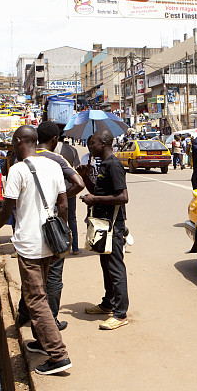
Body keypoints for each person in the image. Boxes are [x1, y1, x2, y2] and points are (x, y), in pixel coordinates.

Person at [0, 126, 72, 375]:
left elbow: (6, 211)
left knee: (35, 299)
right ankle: (42, 343)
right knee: (40, 293)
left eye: (12, 142)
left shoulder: (17, 170)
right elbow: (63, 206)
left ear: (19, 141)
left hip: (29, 245)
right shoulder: (53, 165)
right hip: (50, 243)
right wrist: (63, 236)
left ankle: (58, 354)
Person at [32, 122, 85, 330]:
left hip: (29, 226)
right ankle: (51, 321)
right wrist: (57, 199)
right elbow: (79, 184)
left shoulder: (23, 157)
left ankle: (26, 315)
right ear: (55, 139)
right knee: (53, 273)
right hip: (51, 224)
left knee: (33, 274)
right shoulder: (56, 159)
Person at [76, 130, 131, 330]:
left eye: (93, 143)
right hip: (101, 223)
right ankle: (108, 303)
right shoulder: (102, 165)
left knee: (115, 268)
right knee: (106, 265)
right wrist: (86, 177)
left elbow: (123, 196)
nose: (90, 146)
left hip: (113, 224)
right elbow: (95, 191)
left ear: (104, 143)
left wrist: (95, 200)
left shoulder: (114, 165)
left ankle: (120, 313)